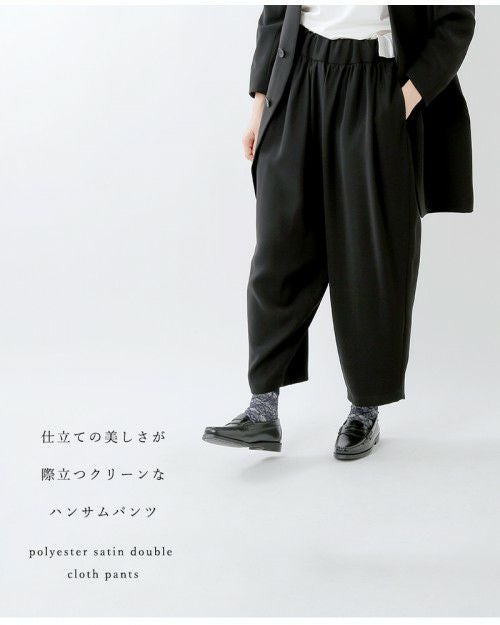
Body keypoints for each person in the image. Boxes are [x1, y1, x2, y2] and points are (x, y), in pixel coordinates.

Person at [203, 5, 475, 459]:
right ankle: (262, 410)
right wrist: (259, 103)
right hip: (297, 79)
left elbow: (457, 21)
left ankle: (364, 409)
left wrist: (405, 99)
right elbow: (276, 12)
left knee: (370, 254)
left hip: (377, 81)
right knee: (279, 247)